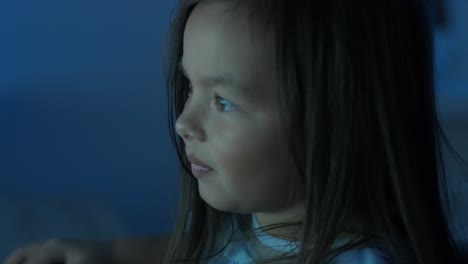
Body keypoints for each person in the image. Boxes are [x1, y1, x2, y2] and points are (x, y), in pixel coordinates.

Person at [4, 0, 467, 263]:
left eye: (224, 101)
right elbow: (216, 254)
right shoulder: (268, 227)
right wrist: (108, 254)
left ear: (340, 117)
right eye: (189, 88)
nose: (184, 124)